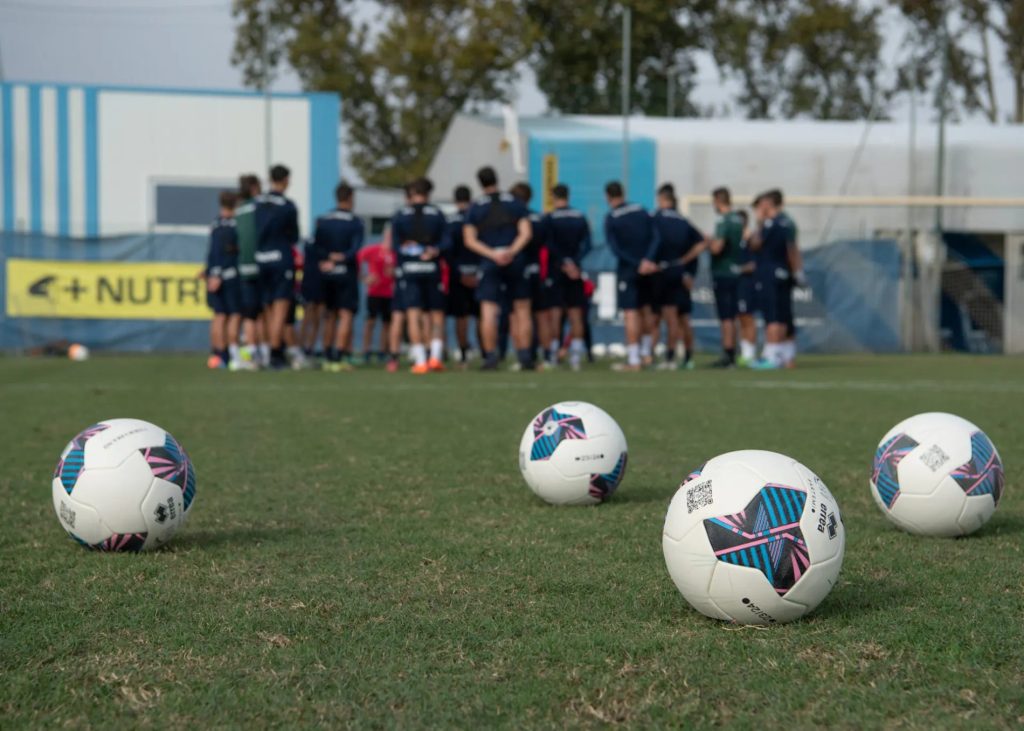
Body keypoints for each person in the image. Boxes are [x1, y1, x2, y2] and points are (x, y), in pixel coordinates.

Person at [463, 166, 534, 371]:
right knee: (522, 310)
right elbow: (526, 233)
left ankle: (491, 357)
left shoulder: (476, 206)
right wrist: (511, 251)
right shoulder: (514, 202)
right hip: (515, 260)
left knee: (488, 311)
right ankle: (524, 355)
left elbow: (469, 240)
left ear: (480, 182)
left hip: (490, 261)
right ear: (497, 179)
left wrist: (493, 254)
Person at [391, 177, 449, 374]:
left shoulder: (401, 214)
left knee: (413, 314)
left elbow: (394, 245)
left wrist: (406, 249)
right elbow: (447, 242)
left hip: (410, 269)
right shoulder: (437, 214)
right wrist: (434, 250)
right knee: (436, 314)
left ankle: (421, 361)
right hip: (431, 267)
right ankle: (435, 356)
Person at [603, 181, 659, 371]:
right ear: (623, 192)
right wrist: (648, 260)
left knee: (631, 313)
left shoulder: (611, 217)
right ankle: (646, 354)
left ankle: (634, 359)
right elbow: (656, 236)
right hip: (648, 268)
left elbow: (616, 248)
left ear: (608, 197)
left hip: (629, 269)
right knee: (646, 311)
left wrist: (637, 263)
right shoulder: (641, 210)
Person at [649, 183, 704, 370]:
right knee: (683, 318)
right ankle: (688, 357)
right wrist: (686, 264)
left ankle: (669, 357)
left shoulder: (656, 218)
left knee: (666, 317)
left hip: (663, 273)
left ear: (663, 199)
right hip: (681, 274)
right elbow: (701, 243)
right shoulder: (683, 220)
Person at [749, 189, 804, 369]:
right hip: (784, 274)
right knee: (784, 316)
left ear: (768, 204)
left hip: (769, 273)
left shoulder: (770, 223)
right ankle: (787, 357)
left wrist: (759, 222)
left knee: (772, 316)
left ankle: (772, 357)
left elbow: (756, 244)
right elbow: (793, 248)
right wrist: (797, 271)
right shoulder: (788, 222)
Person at [314, 182, 364, 372]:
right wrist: (342, 257)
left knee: (329, 315)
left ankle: (327, 355)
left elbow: (316, 245)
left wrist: (327, 259)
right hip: (346, 272)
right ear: (350, 198)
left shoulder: (324, 219)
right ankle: (339, 356)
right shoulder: (355, 221)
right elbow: (356, 247)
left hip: (327, 272)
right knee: (345, 314)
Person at [254, 164, 300, 369]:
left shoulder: (257, 203)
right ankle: (275, 353)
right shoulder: (287, 205)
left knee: (266, 309)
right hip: (280, 258)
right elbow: (294, 236)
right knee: (280, 310)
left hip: (260, 258)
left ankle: (265, 352)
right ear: (286, 180)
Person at [544, 183, 591, 370]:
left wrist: (563, 262)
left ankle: (555, 356)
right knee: (576, 315)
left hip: (557, 270)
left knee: (555, 315)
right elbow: (587, 244)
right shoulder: (579, 217)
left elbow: (549, 244)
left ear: (554, 196)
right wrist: (574, 262)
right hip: (575, 271)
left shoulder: (550, 218)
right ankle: (576, 358)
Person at [510, 182, 556, 369]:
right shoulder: (540, 218)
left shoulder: (514, 219)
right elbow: (549, 246)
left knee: (519, 314)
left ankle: (524, 356)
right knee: (542, 315)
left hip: (519, 269)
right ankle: (547, 356)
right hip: (538, 270)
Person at [707, 186, 746, 368]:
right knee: (733, 314)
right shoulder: (738, 219)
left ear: (718, 200)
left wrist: (707, 242)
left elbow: (717, 247)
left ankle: (728, 353)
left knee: (725, 316)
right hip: (736, 270)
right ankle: (734, 352)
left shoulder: (723, 221)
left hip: (722, 272)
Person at [205, 191, 242, 369]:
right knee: (233, 314)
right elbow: (225, 253)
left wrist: (210, 273)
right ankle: (230, 355)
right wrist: (219, 274)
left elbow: (212, 252)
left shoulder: (215, 223)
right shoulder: (234, 225)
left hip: (215, 275)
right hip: (229, 275)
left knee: (219, 315)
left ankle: (217, 355)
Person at [444, 185, 480, 365]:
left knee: (461, 316)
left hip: (458, 274)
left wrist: (458, 273)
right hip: (478, 272)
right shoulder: (476, 218)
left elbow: (447, 251)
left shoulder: (450, 221)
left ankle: (464, 352)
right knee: (481, 314)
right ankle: (487, 353)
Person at [235, 174, 267, 367]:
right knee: (263, 312)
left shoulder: (239, 209)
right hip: (262, 264)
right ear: (255, 187)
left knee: (249, 314)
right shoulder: (259, 207)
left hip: (244, 267)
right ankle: (264, 353)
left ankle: (251, 351)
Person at [357, 229, 396, 363]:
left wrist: (394, 273)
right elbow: (357, 259)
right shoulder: (374, 250)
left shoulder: (396, 253)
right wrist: (364, 277)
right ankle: (366, 351)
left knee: (387, 323)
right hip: (374, 292)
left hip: (390, 293)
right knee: (370, 322)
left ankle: (383, 351)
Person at [734, 209, 759, 365]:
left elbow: (754, 264)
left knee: (747, 317)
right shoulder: (735, 240)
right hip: (736, 284)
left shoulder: (751, 240)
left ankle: (750, 353)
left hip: (747, 283)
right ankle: (744, 352)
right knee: (740, 317)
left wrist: (739, 269)